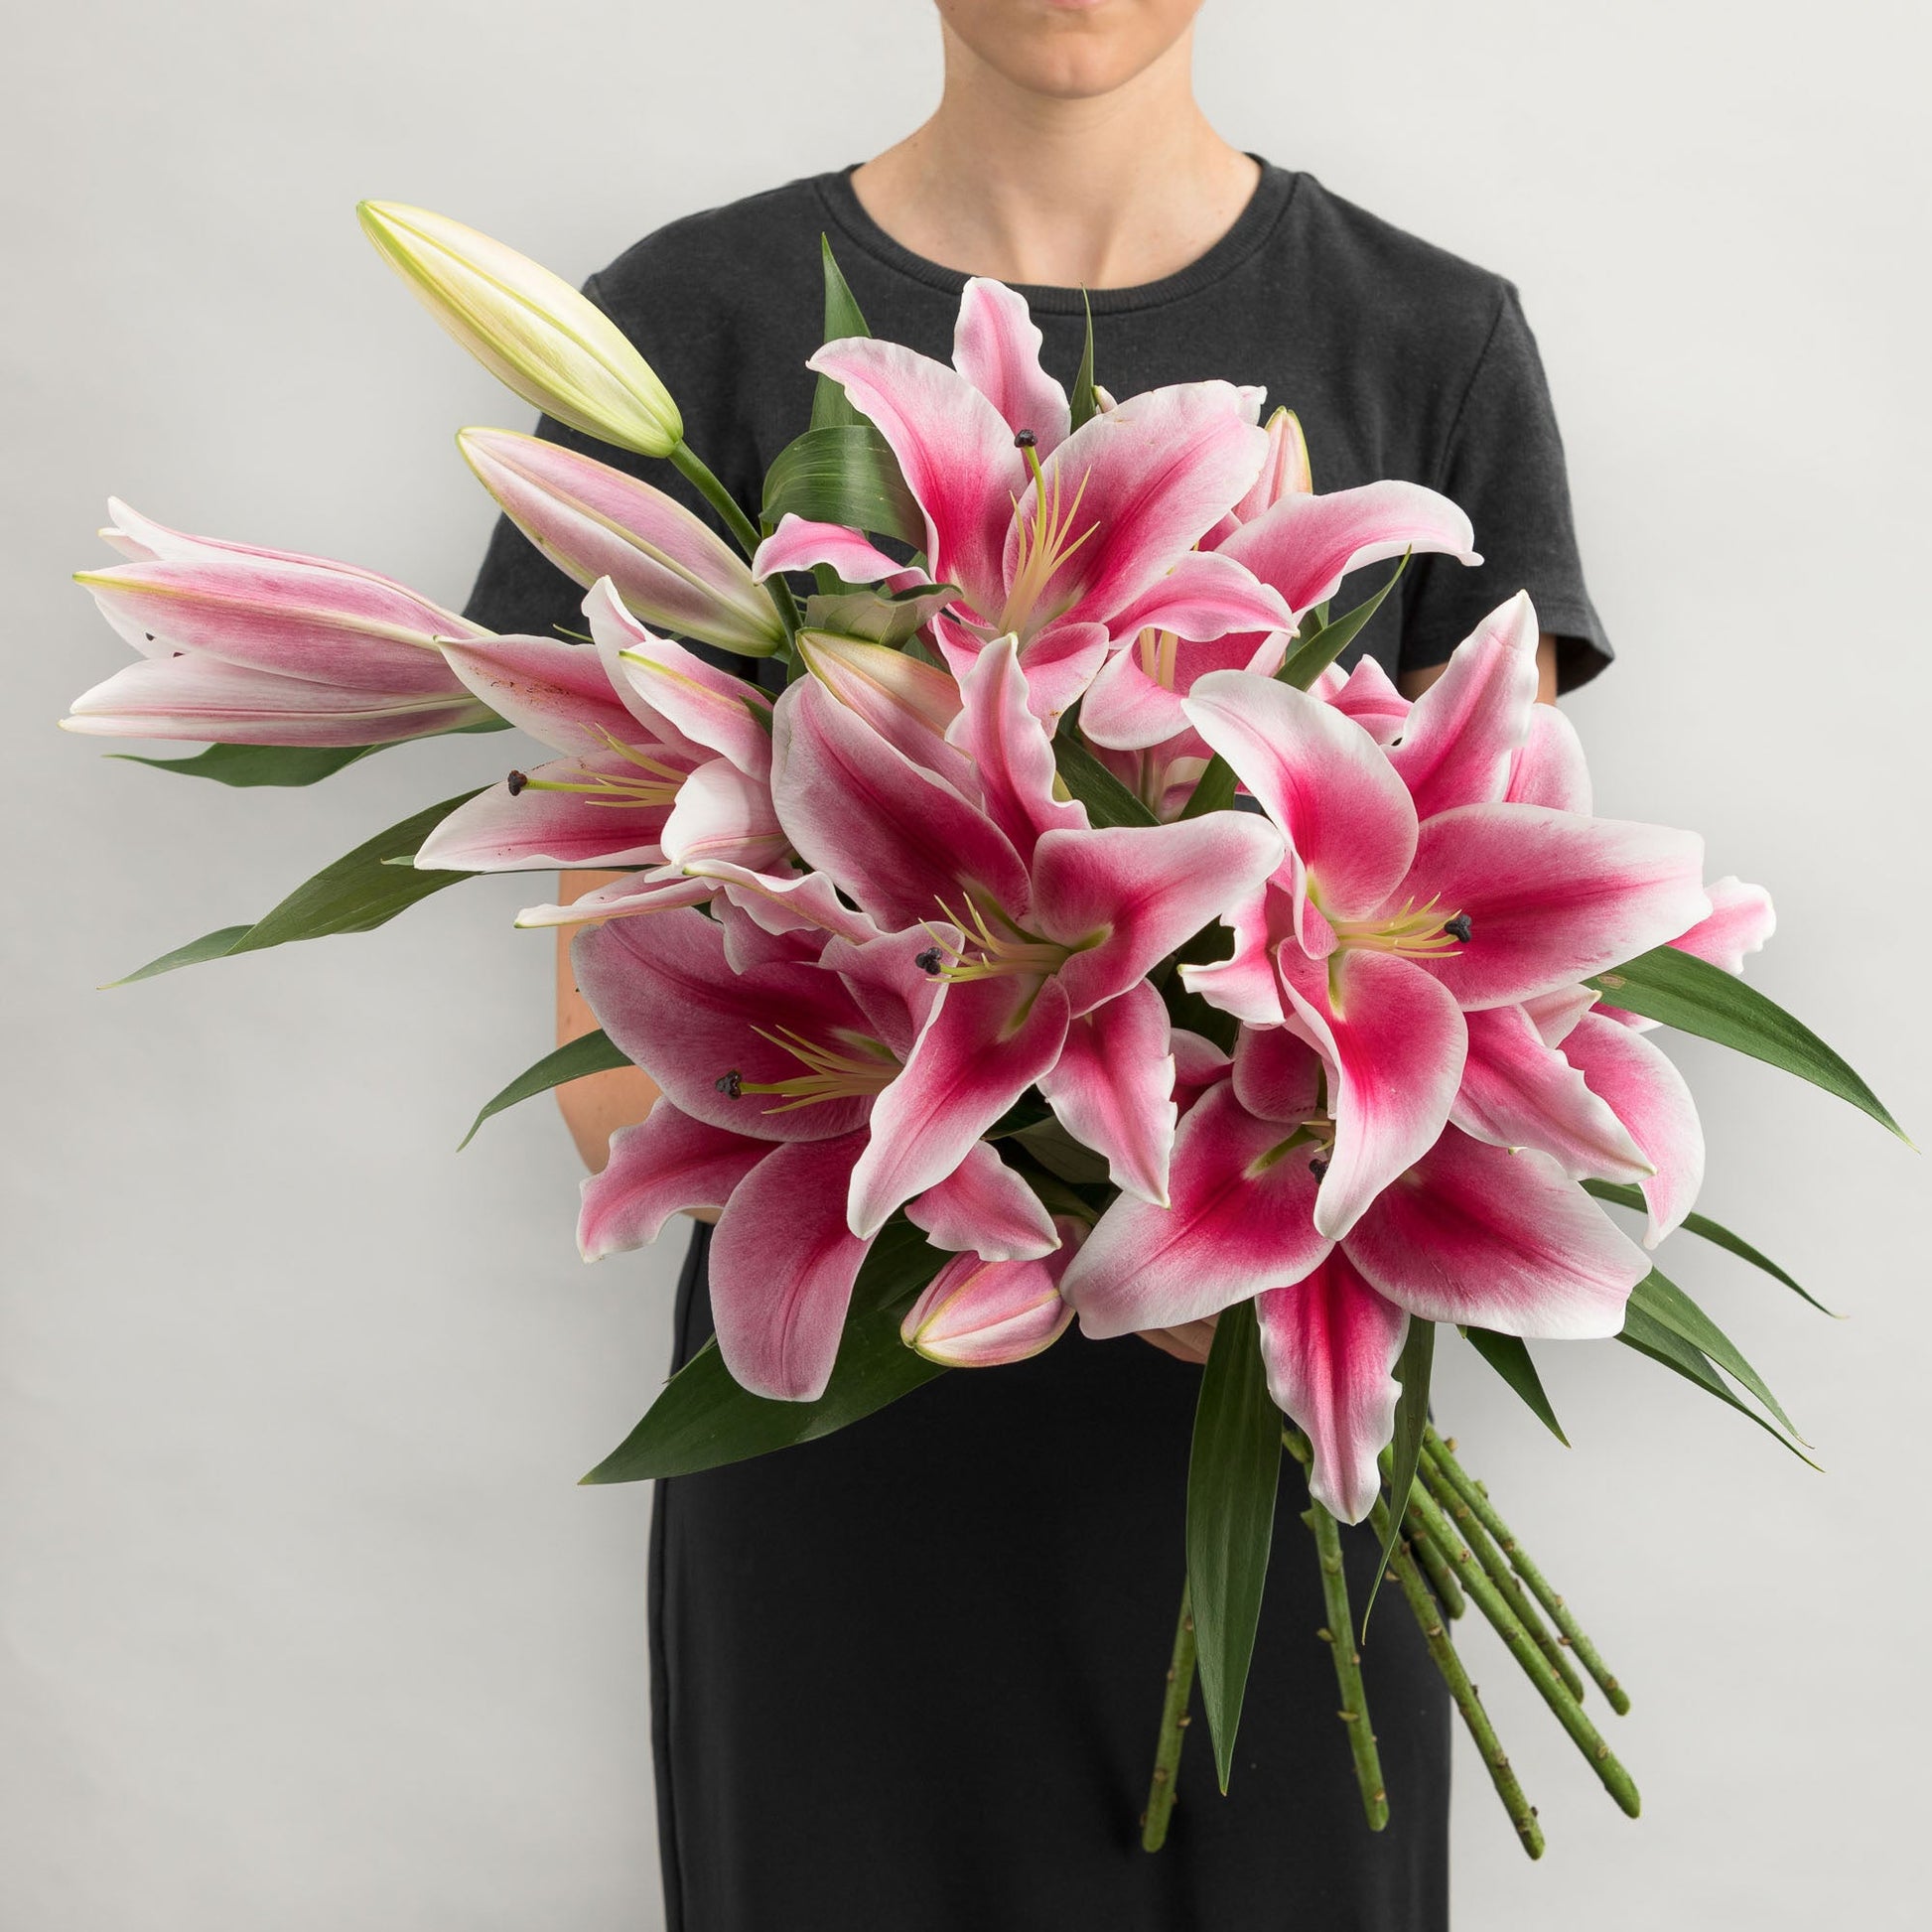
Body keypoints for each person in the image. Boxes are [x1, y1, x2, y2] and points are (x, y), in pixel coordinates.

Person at [463, 4, 1610, 1926]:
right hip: (854, 1466)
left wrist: (1200, 1213)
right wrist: (1022, 1164)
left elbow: (1495, 987)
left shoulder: (1429, 340)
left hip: (1271, 1426)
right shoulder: (699, 322)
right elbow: (609, 1065)